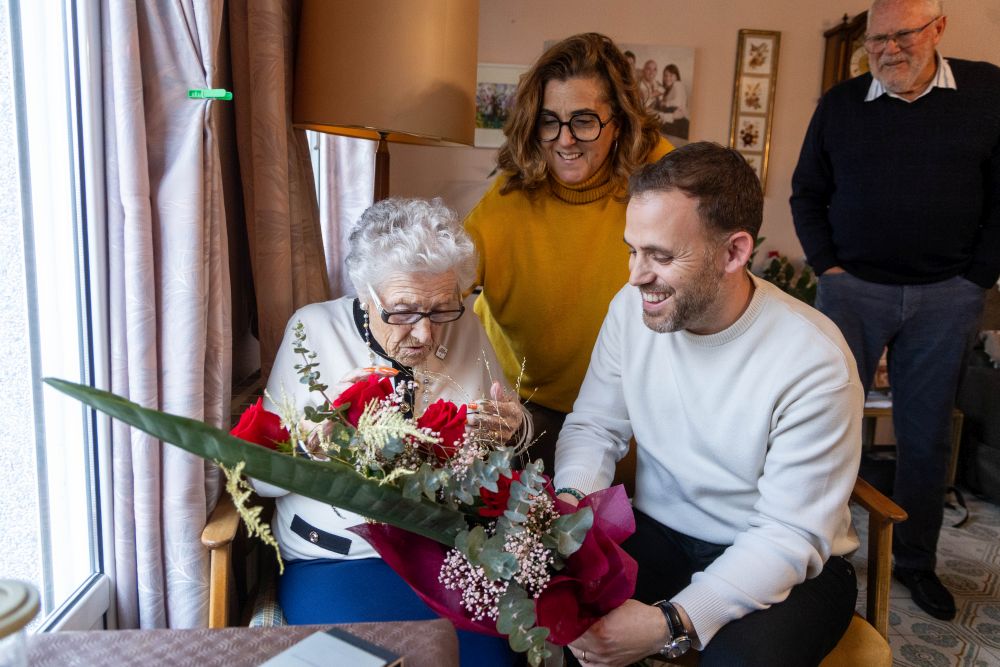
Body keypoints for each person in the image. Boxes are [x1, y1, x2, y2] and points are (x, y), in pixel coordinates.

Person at [554, 142, 863, 666]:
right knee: (560, 612)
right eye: (633, 249)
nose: (635, 276)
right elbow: (594, 426)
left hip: (789, 559)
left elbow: (787, 535)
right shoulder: (631, 311)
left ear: (734, 252)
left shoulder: (814, 359)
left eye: (661, 256)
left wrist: (668, 622)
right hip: (661, 533)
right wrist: (571, 511)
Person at [790, 0, 1000, 621]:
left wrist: (977, 279)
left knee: (926, 438)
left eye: (901, 36)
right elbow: (808, 193)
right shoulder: (840, 104)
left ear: (938, 28)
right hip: (853, 290)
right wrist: (828, 264)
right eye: (875, 40)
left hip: (947, 296)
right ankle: (819, 552)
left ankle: (915, 562)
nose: (885, 51)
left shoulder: (988, 90)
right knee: (826, 425)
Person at [257, 198, 527, 666]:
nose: (425, 334)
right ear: (365, 295)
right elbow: (260, 477)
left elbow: (501, 452)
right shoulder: (314, 331)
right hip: (338, 557)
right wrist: (305, 447)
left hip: (445, 549)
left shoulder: (468, 332)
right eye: (403, 312)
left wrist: (514, 430)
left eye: (443, 309)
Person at [465, 33, 672, 471]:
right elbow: (450, 276)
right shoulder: (510, 193)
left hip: (624, 414)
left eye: (583, 120)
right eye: (548, 121)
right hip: (522, 407)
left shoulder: (660, 178)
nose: (565, 140)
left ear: (619, 120)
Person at [652, 64, 689, 139]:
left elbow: (678, 102)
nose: (667, 78)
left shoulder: (678, 84)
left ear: (676, 76)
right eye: (665, 75)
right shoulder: (668, 89)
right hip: (674, 121)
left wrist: (665, 103)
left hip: (680, 122)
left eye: (671, 75)